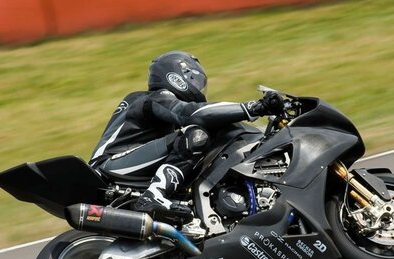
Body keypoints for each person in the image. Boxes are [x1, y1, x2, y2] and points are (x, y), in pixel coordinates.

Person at [89, 50, 283, 220]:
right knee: (196, 134)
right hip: (108, 166)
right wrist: (254, 107)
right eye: (194, 80)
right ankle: (154, 194)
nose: (198, 88)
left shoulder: (159, 109)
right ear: (176, 76)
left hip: (126, 166)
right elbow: (192, 114)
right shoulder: (150, 98)